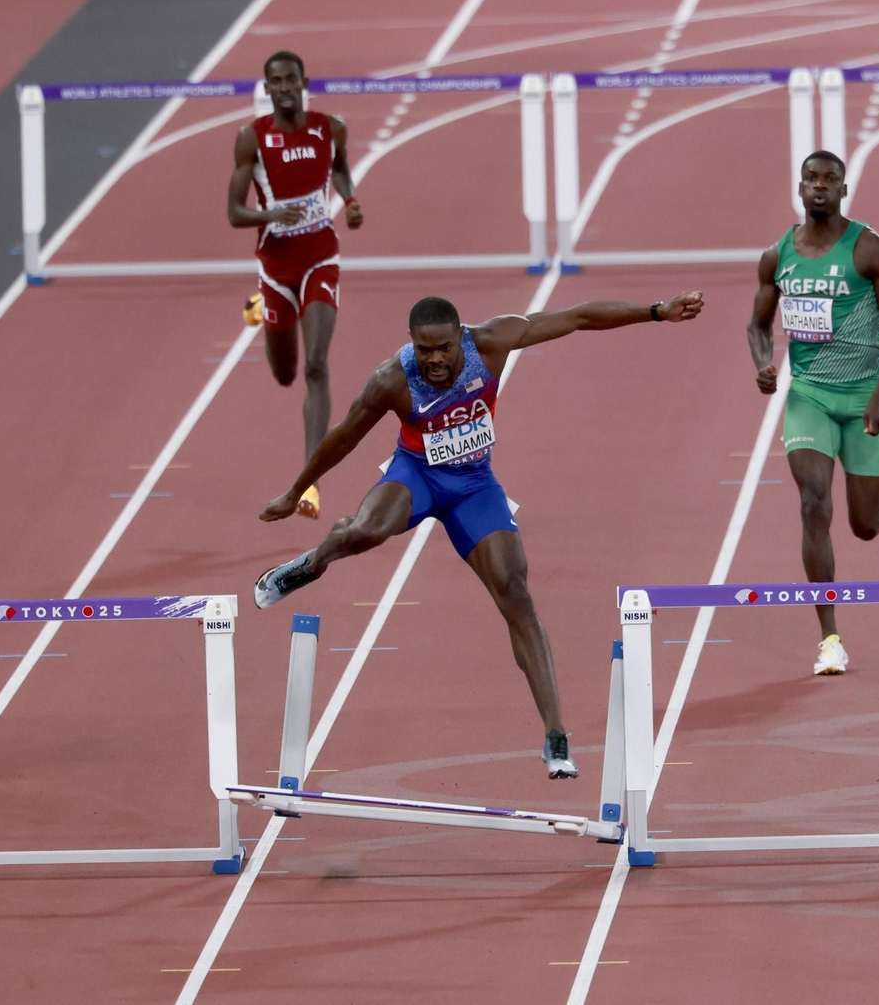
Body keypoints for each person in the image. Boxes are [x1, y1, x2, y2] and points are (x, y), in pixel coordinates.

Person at [253, 291, 705, 778]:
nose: (435, 360)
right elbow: (344, 435)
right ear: (410, 343)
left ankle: (555, 736)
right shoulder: (391, 380)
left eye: (444, 348)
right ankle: (310, 565)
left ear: (461, 337)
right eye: (424, 350)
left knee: (515, 592)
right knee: (365, 530)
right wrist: (296, 489)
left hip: (473, 485)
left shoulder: (492, 342)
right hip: (417, 475)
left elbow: (579, 317)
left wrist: (655, 311)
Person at [746, 150, 879, 675]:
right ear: (799, 188)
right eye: (811, 179)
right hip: (809, 396)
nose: (819, 187)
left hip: (862, 399)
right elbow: (756, 325)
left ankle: (869, 455)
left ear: (843, 189)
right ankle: (829, 637)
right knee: (813, 502)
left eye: (830, 180)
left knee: (866, 527)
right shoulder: (778, 256)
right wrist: (764, 364)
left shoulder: (869, 250)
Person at [228, 50, 363, 520]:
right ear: (267, 89)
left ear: (304, 81)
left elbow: (340, 166)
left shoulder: (330, 127)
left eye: (291, 79)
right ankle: (260, 304)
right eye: (275, 82)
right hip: (276, 266)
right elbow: (233, 213)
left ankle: (310, 481)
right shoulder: (252, 139)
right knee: (284, 374)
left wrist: (349, 200)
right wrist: (271, 215)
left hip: (320, 258)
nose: (284, 88)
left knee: (316, 367)